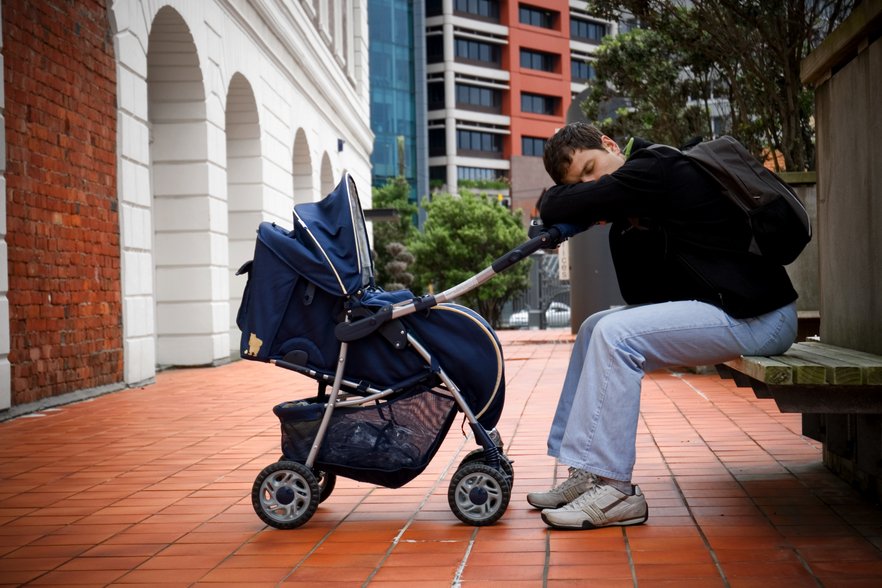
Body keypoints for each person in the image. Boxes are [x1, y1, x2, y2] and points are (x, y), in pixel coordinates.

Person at [527, 123, 798, 530]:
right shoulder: (636, 203)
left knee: (615, 337)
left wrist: (574, 202)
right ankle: (584, 470)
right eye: (579, 181)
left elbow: (553, 206)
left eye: (589, 168)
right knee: (594, 327)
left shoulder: (656, 165)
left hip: (763, 317)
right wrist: (627, 223)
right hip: (727, 311)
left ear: (609, 144)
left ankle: (614, 488)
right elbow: (641, 293)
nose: (591, 182)